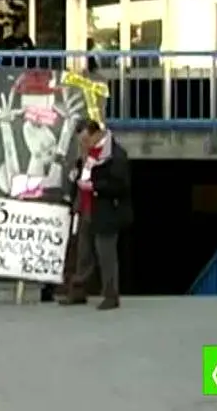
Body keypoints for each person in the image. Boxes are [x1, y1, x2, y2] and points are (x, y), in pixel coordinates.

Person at [61, 119, 131, 311]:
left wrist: (95, 187)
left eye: (85, 140)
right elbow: (82, 174)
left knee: (106, 255)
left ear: (95, 134)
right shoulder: (86, 154)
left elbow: (121, 185)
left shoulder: (115, 155)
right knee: (83, 254)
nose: (83, 144)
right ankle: (78, 291)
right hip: (86, 208)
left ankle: (111, 295)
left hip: (106, 211)